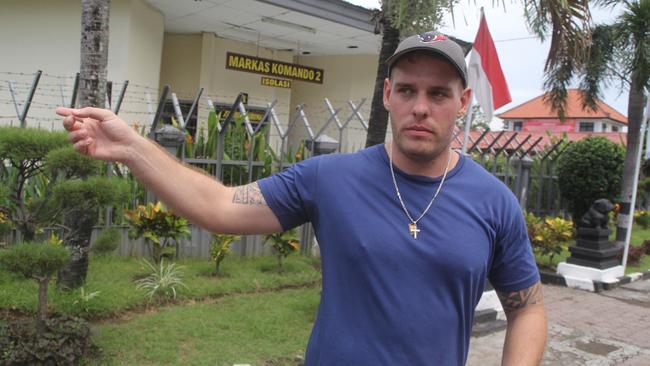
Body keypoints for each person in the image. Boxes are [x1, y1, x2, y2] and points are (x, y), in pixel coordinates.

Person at [57, 31, 547, 365]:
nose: (420, 107)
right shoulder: (328, 178)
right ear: (386, 94)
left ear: (462, 102)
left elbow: (526, 306)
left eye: (439, 94)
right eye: (407, 90)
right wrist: (133, 148)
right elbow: (221, 207)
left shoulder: (494, 202)